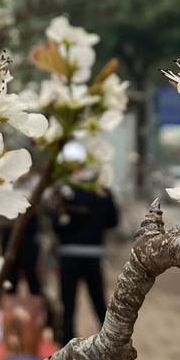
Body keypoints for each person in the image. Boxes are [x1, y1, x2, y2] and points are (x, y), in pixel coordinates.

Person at [50, 142, 118, 343]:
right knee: (99, 301)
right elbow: (113, 221)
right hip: (94, 253)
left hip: (68, 253)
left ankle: (65, 348)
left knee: (68, 305)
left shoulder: (63, 191)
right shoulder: (102, 190)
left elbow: (56, 225)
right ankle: (112, 342)